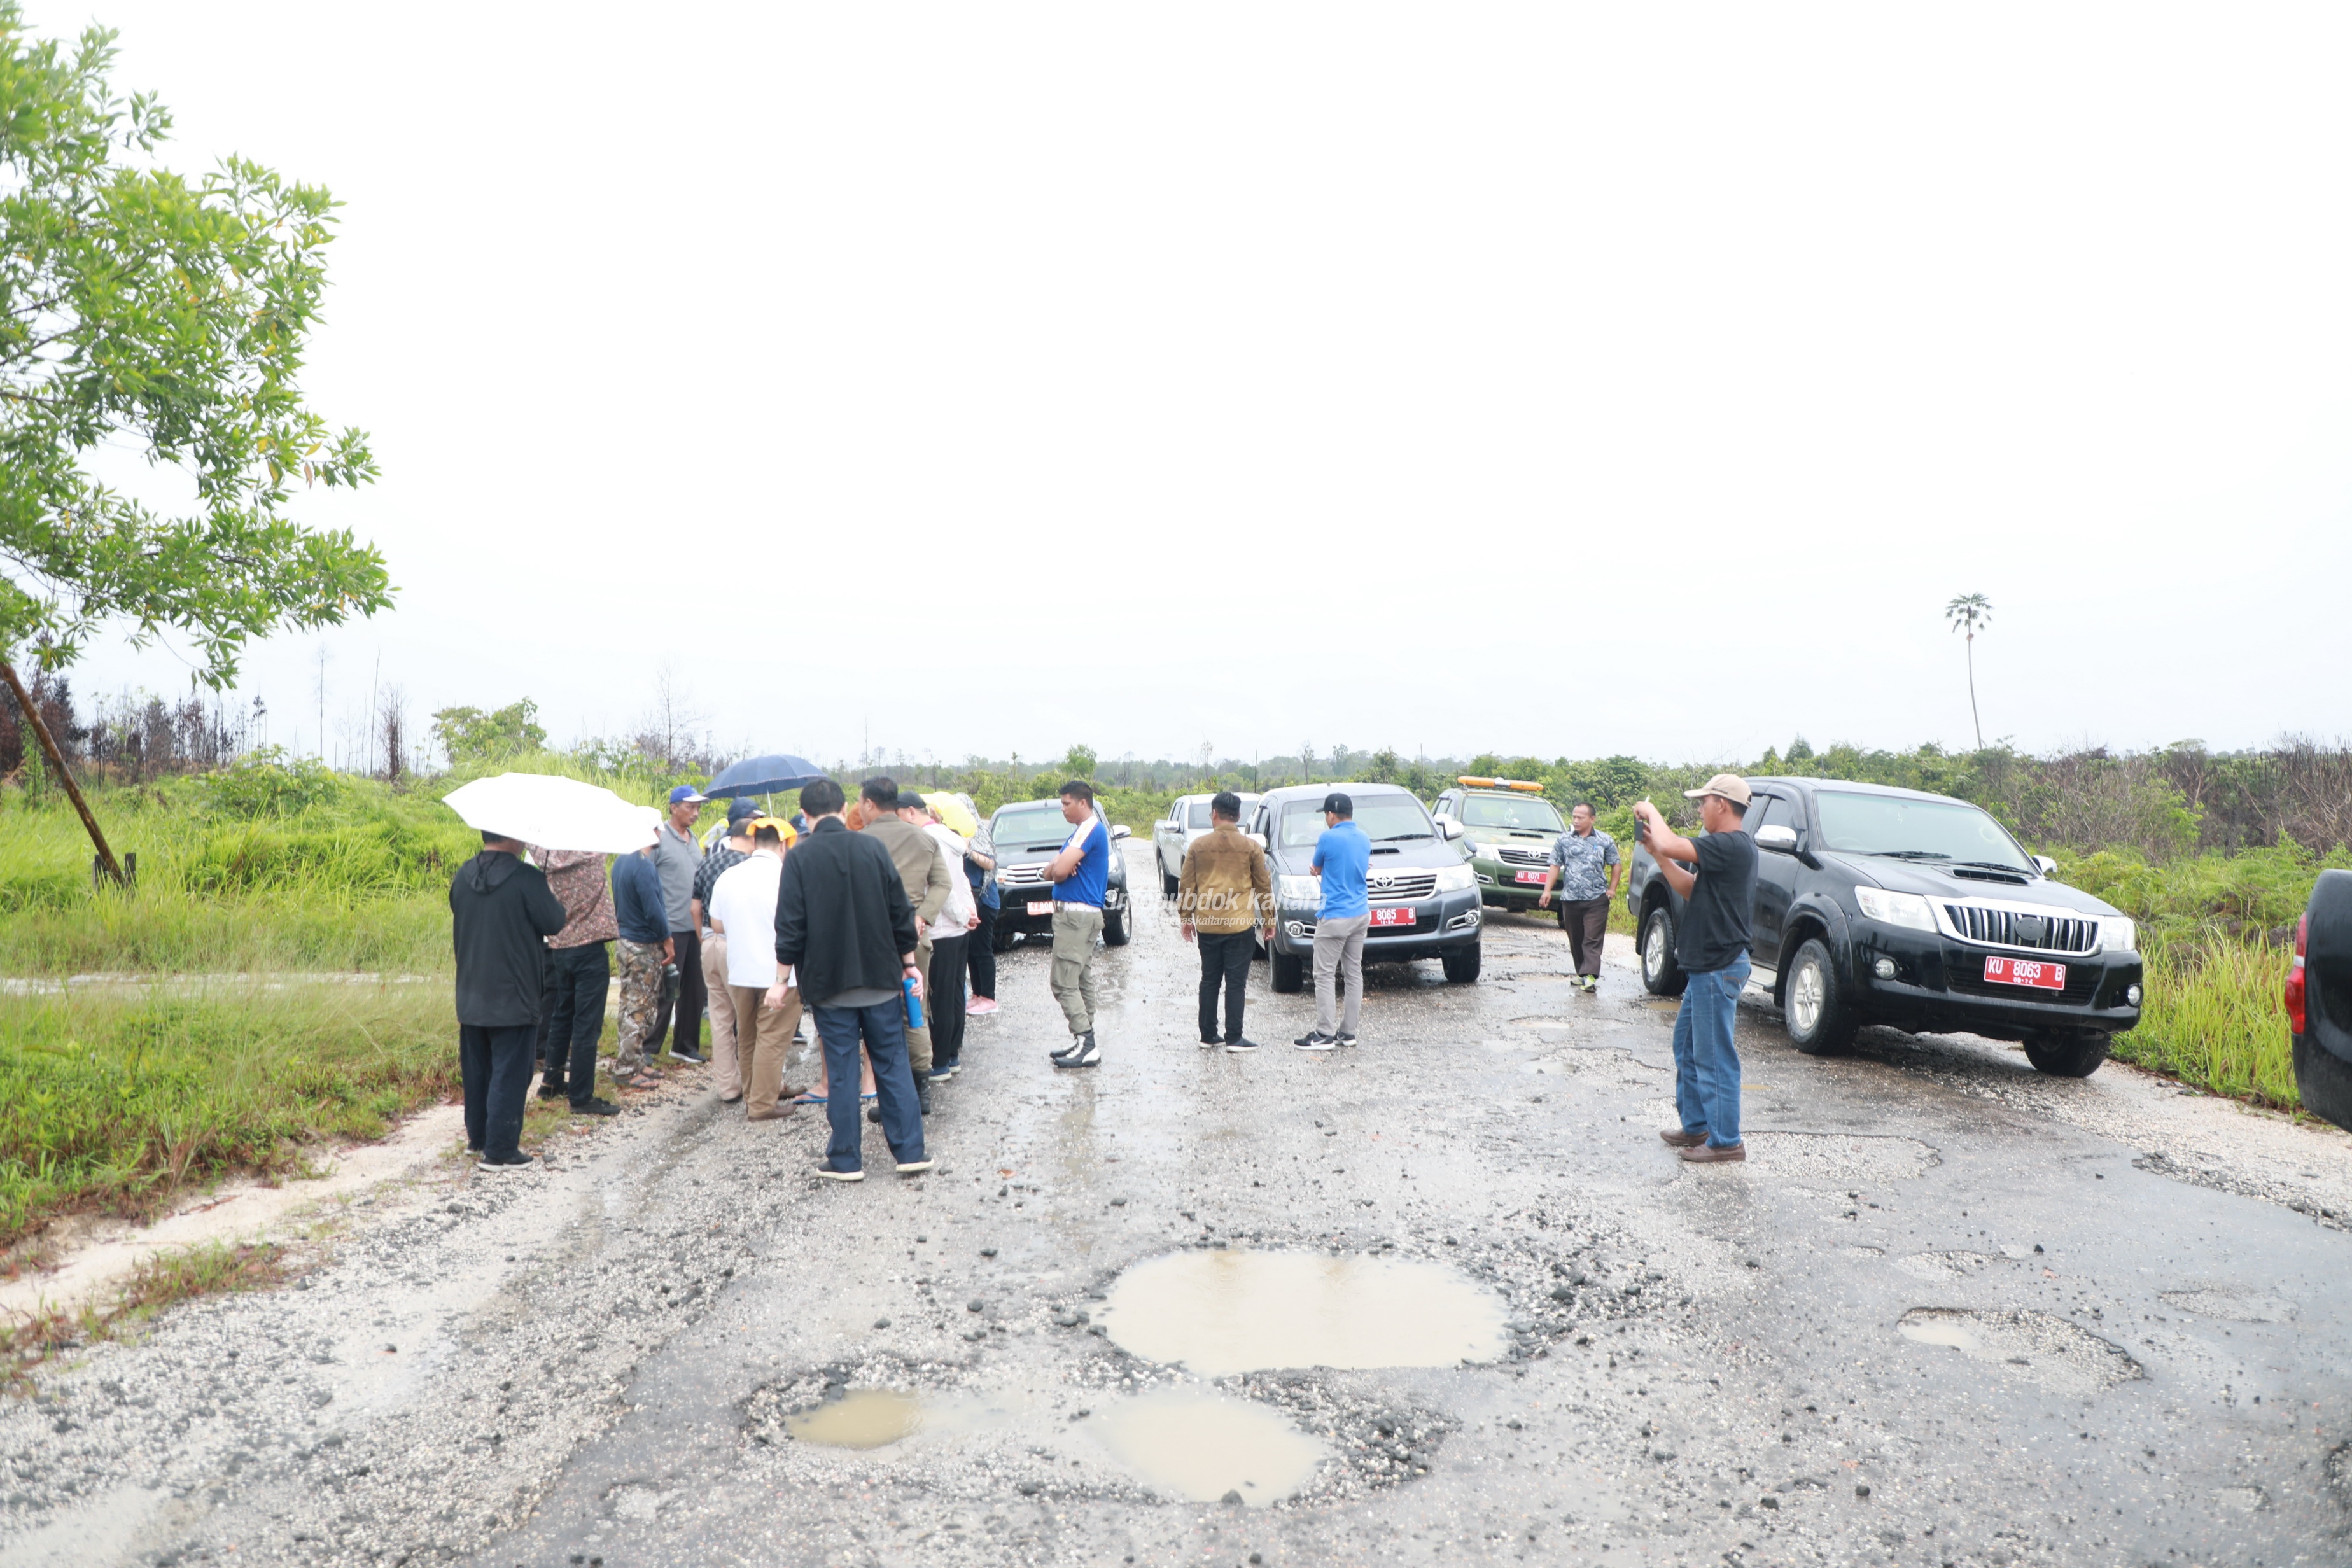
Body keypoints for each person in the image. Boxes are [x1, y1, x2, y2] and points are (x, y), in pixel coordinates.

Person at [773, 777, 930, 1181]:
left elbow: (790, 925)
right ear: (846, 811)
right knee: (892, 1064)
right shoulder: (872, 848)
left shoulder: (800, 859)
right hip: (880, 979)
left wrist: (781, 979)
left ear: (805, 817)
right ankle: (910, 1152)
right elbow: (901, 913)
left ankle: (846, 1160)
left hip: (830, 986)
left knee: (842, 1073)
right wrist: (909, 964)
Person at [1632, 774, 1758, 1165]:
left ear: (1722, 804)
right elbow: (1690, 887)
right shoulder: (1723, 850)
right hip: (1708, 966)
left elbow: (1672, 840)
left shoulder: (1732, 845)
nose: (1699, 808)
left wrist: (1651, 811)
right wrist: (1657, 854)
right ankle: (1698, 1125)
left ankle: (1726, 1141)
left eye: (1703, 802)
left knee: (1714, 1055)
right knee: (1687, 1046)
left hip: (1719, 966)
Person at [450, 832, 568, 1168]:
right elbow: (555, 922)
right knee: (511, 1070)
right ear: (514, 838)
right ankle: (501, 1149)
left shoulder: (463, 874)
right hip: (514, 991)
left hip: (471, 988)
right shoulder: (526, 878)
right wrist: (546, 890)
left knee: (478, 1069)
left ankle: (479, 1138)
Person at [855, 777, 953, 1109]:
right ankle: (921, 1089)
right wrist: (922, 916)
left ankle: (891, 1096)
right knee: (916, 1010)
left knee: (881, 1015)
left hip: (871, 941)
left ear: (870, 804)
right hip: (915, 936)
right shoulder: (922, 838)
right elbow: (943, 883)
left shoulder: (859, 841)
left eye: (860, 802)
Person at [706, 817, 804, 1122]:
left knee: (748, 1036)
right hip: (780, 972)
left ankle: (755, 1093)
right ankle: (762, 1104)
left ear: (753, 842)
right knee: (773, 1037)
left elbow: (717, 925)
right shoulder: (788, 875)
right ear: (786, 844)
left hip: (739, 970)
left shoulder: (729, 876)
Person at [1179, 790, 1273, 1051]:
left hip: (1207, 925)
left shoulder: (1198, 846)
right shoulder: (1251, 847)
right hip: (1239, 925)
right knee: (1236, 982)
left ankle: (1208, 1035)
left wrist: (1186, 918)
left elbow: (1187, 885)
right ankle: (1234, 1037)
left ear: (1215, 814)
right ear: (1239, 816)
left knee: (1209, 979)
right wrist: (1269, 920)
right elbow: (1263, 887)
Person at [533, 844, 622, 1116]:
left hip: (560, 946)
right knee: (587, 1024)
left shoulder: (545, 856)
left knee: (562, 1015)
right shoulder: (595, 852)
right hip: (590, 948)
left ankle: (551, 1081)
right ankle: (581, 1096)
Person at [906, 795, 980, 1082]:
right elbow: (961, 881)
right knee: (954, 993)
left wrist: (962, 915)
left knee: (938, 998)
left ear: (913, 813)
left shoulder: (926, 840)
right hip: (959, 929)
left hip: (941, 929)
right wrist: (969, 913)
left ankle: (938, 1063)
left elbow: (943, 886)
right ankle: (952, 1055)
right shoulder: (951, 838)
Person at [1039, 779, 1111, 1068]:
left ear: (1083, 803)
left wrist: (1059, 869)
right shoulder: (1078, 832)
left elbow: (1059, 872)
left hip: (1077, 916)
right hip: (1079, 915)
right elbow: (1050, 870)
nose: (1063, 809)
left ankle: (1087, 1042)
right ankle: (1085, 1040)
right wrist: (1058, 869)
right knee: (1080, 979)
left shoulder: (1089, 828)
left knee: (1063, 982)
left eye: (1067, 804)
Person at [692, 799, 758, 1103]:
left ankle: (728, 1088)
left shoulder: (707, 861)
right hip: (736, 946)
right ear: (752, 838)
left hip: (709, 945)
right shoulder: (748, 865)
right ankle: (755, 1083)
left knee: (720, 1020)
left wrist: (703, 939)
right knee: (748, 1018)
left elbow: (694, 907)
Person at [1299, 790, 1370, 1050]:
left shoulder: (1327, 838)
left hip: (1335, 916)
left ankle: (1324, 1033)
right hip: (1361, 913)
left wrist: (1315, 870)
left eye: (1326, 815)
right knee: (1354, 973)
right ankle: (1348, 1033)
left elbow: (1316, 867)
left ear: (1331, 815)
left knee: (1325, 974)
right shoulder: (1364, 838)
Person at [650, 785, 708, 1063]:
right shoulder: (660, 838)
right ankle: (649, 1048)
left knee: (695, 990)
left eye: (698, 808)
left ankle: (685, 1044)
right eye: (690, 807)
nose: (695, 813)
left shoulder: (694, 839)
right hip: (670, 928)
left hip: (693, 927)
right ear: (674, 807)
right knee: (666, 991)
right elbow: (647, 881)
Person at [1537, 801, 1621, 993]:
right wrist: (1547, 890)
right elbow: (1555, 866)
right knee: (1576, 938)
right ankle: (1582, 972)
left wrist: (1612, 889)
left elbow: (1616, 864)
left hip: (1597, 898)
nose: (1576, 820)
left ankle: (1590, 976)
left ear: (1592, 819)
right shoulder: (1564, 840)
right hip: (1571, 898)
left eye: (1581, 817)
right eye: (1574, 816)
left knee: (1592, 938)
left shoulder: (1605, 840)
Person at [610, 840, 673, 1092]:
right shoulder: (643, 865)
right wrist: (667, 939)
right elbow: (653, 908)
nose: (659, 833)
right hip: (643, 944)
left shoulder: (621, 860)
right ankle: (626, 1069)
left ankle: (635, 1060)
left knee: (629, 1003)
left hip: (624, 940)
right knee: (639, 1008)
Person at [965, 809, 1001, 1017]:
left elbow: (990, 863)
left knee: (982, 950)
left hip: (985, 900)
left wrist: (969, 851)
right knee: (970, 950)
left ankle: (989, 997)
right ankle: (978, 995)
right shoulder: (956, 833)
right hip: (970, 901)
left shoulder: (978, 833)